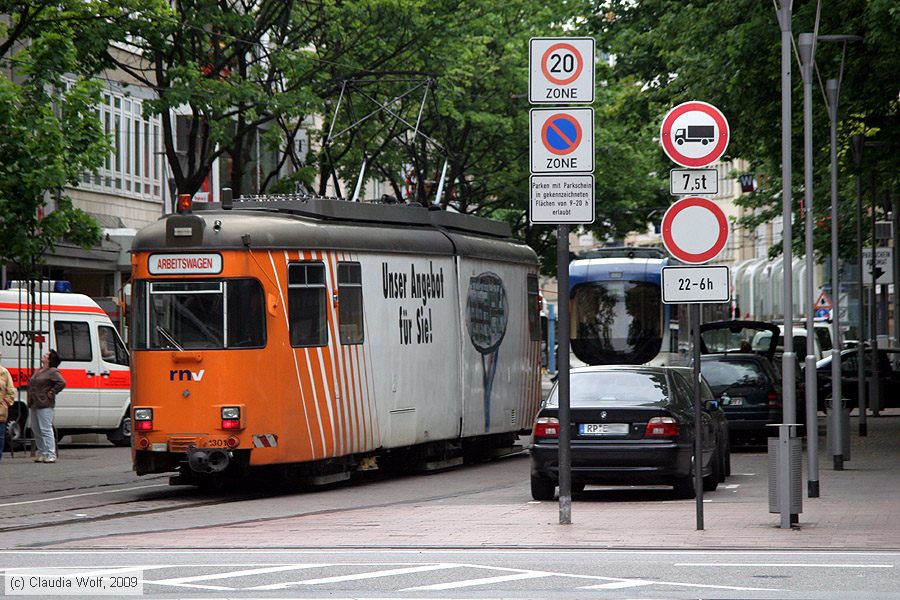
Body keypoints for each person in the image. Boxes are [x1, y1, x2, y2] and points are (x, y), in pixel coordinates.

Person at [27, 349, 66, 463]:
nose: (43, 356)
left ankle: (51, 453)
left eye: (46, 355)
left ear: (50, 359)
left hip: (45, 403)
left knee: (45, 428)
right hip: (34, 402)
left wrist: (52, 391)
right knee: (36, 429)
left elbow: (62, 382)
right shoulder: (40, 370)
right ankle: (42, 452)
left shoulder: (52, 371)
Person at [0, 351, 16, 460]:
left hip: (0, 410)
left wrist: (5, 403)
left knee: (0, 437)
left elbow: (11, 391)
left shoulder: (4, 373)